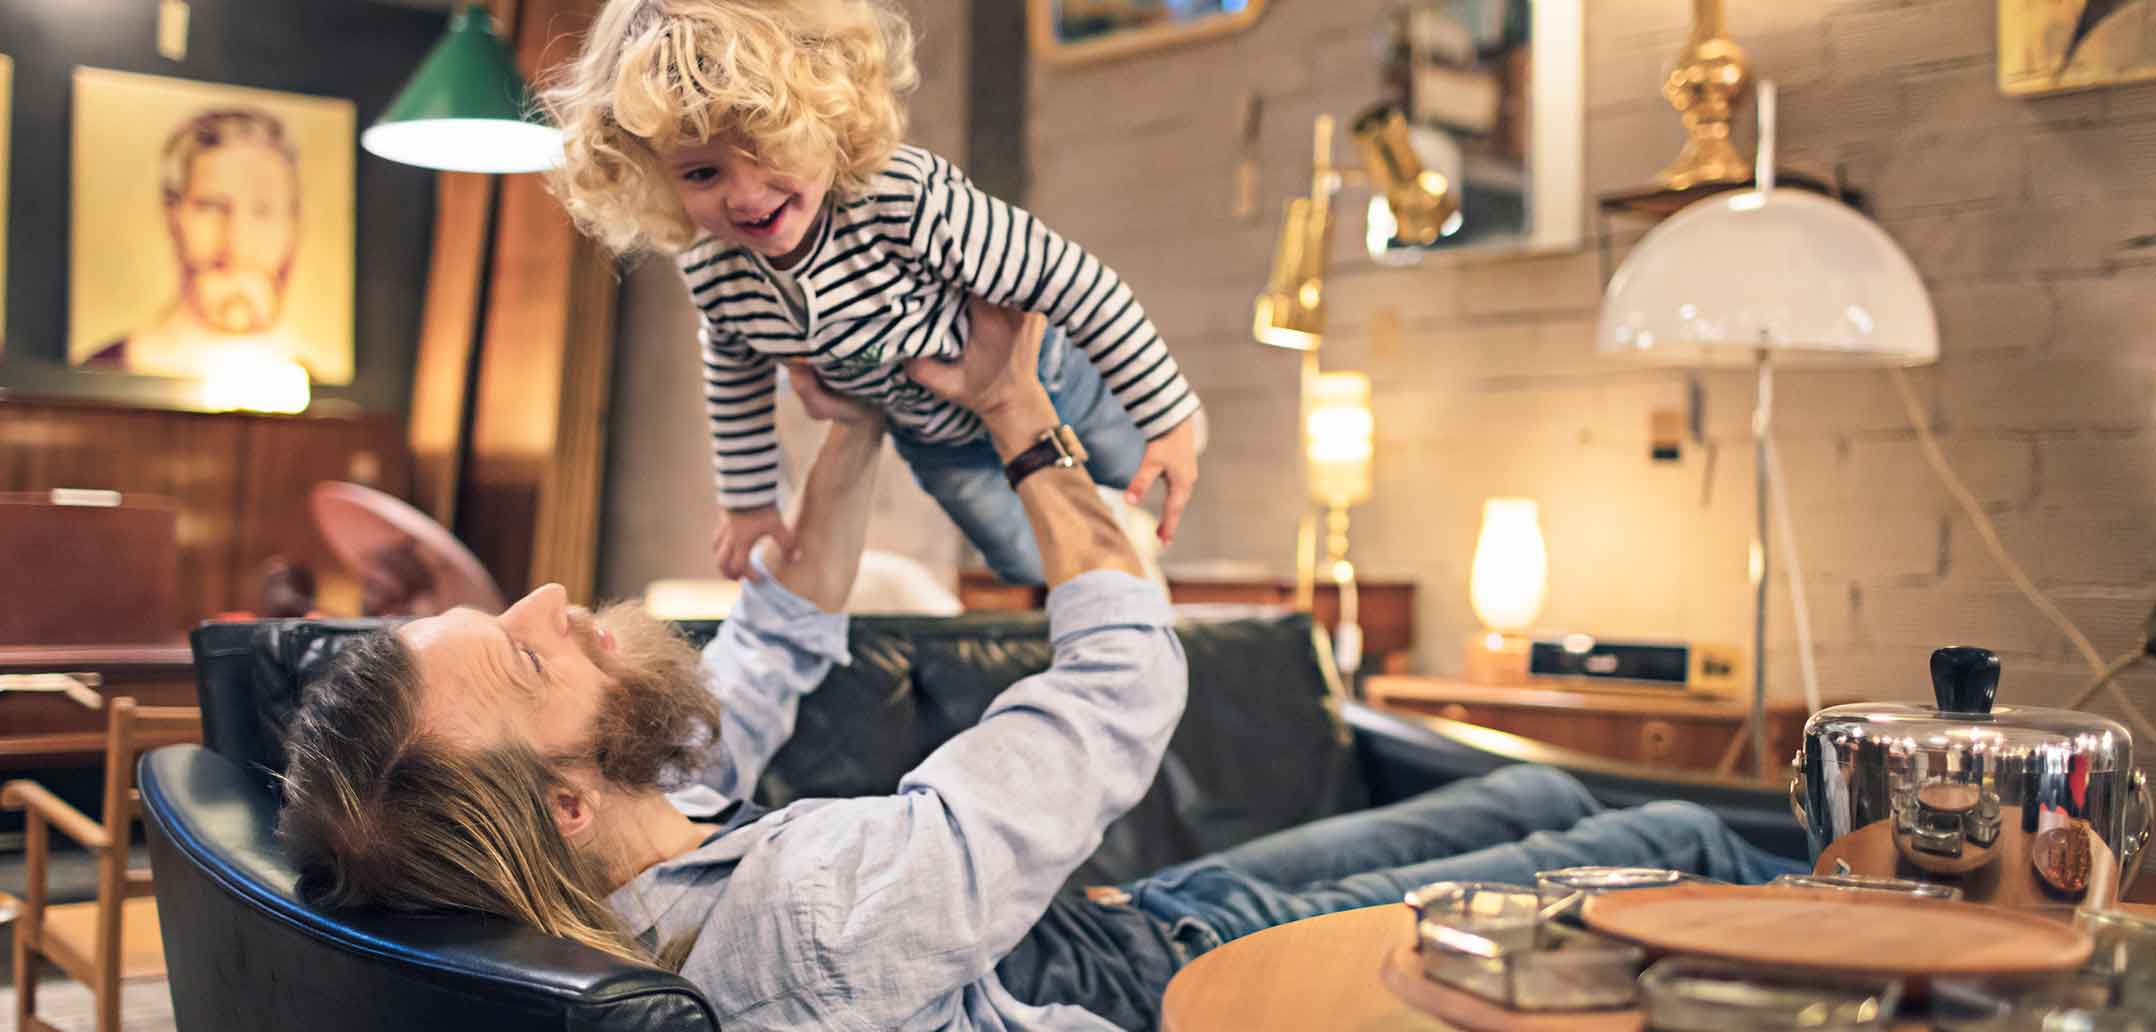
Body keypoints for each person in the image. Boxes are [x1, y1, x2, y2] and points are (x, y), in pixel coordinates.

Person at [276, 302, 1804, 1031]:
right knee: (1662, 841)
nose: (550, 594)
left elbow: (780, 634)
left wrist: (858, 416)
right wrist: (1017, 413)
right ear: (553, 805)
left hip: (1121, 921)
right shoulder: (813, 919)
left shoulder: (624, 874)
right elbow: (1115, 692)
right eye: (533, 654)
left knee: (1575, 809)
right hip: (1170, 977)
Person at [542, 0, 1203, 586]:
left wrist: (1165, 413)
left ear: (826, 115)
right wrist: (749, 501)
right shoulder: (713, 265)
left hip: (1056, 381)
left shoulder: (904, 200)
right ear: (657, 178)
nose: (744, 196)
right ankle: (1114, 523)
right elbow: (733, 373)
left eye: (766, 149)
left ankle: (1155, 448)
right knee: (1025, 561)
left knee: (1133, 459)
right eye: (702, 171)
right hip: (936, 439)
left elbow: (1074, 283)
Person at [82, 108, 310, 380]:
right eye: (212, 207)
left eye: (263, 211)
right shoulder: (106, 371)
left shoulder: (316, 398)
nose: (236, 244)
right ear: (172, 214)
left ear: (294, 226)